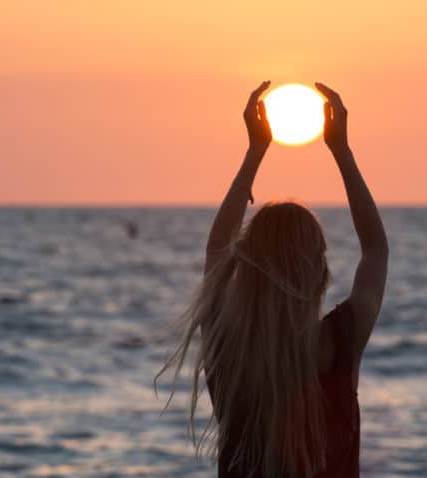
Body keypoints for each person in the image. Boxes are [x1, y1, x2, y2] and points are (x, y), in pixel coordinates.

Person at [156, 81, 389, 477]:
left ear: (246, 269)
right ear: (320, 272)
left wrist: (254, 153)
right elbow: (375, 250)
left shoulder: (230, 351)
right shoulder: (340, 343)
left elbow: (215, 252)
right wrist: (342, 152)